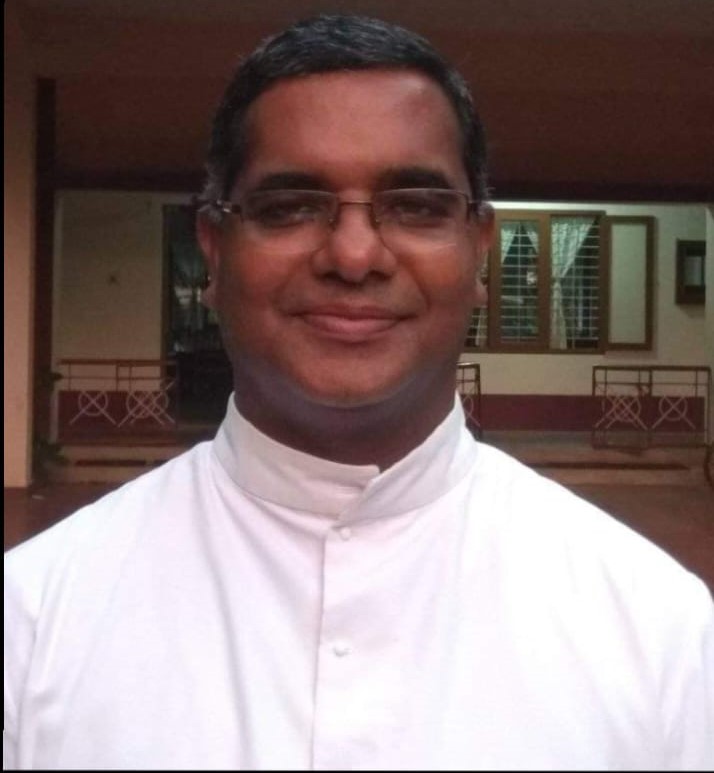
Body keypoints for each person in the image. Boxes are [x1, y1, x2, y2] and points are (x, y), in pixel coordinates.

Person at [4, 14, 713, 771]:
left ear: (480, 251)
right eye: (289, 206)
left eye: (415, 205)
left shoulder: (655, 628)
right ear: (213, 250)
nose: (352, 255)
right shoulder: (35, 619)